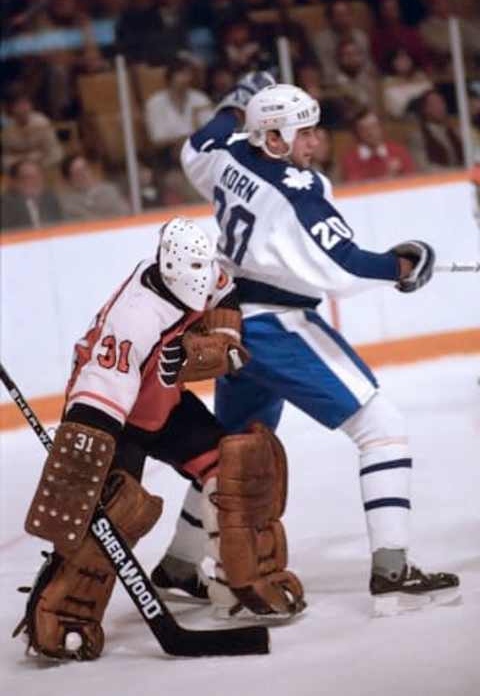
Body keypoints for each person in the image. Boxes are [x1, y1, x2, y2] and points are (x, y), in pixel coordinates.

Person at [153, 74, 459, 614]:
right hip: (275, 324)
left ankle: (181, 561)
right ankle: (393, 570)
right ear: (273, 139)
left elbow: (195, 144)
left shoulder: (228, 157)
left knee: (234, 451)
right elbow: (344, 266)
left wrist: (235, 102)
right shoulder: (299, 190)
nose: (315, 143)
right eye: (305, 133)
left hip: (230, 325)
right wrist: (404, 265)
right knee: (381, 428)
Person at [15, 217, 305, 661]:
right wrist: (86, 465)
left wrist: (221, 340)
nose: (201, 276)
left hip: (163, 406)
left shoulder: (202, 272)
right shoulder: (134, 319)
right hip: (119, 417)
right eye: (191, 266)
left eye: (203, 266)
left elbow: (225, 292)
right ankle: (66, 612)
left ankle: (240, 584)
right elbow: (97, 396)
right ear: (169, 264)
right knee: (109, 512)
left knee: (236, 468)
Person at [340, 108, 417, 182]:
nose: (370, 133)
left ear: (381, 127)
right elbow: (355, 187)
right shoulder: (350, 159)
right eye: (364, 129)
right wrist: (388, 176)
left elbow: (412, 180)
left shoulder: (399, 151)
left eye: (374, 126)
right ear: (356, 133)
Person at [59, 154, 131, 221]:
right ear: (69, 179)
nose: (84, 174)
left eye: (85, 168)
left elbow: (125, 213)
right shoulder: (69, 203)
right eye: (78, 172)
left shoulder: (109, 190)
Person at [1, 159, 64, 231]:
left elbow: (60, 225)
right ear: (14, 181)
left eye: (38, 176)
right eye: (27, 177)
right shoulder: (5, 203)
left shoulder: (50, 197)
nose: (35, 181)